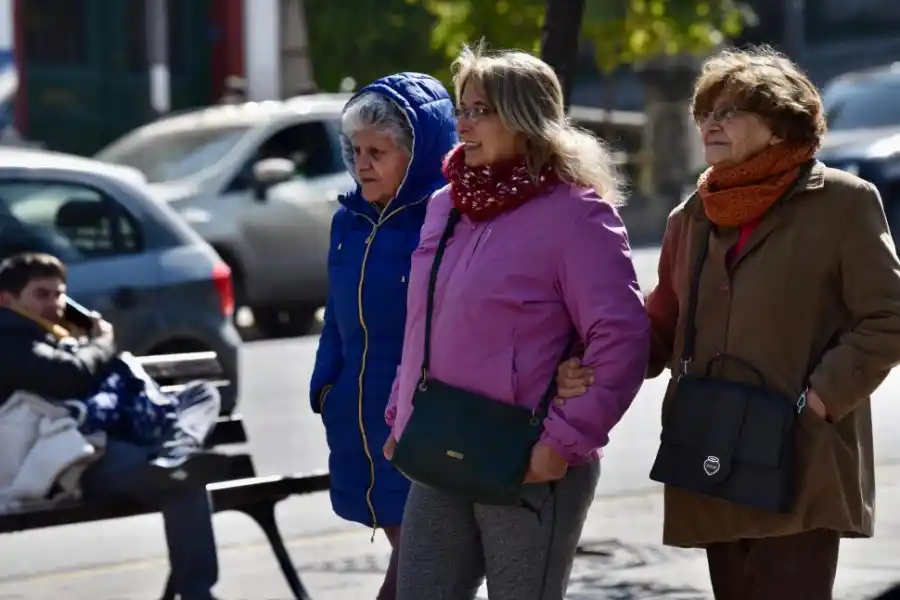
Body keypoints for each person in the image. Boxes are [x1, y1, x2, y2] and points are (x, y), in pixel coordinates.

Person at [555, 46, 900, 599]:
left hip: (799, 456)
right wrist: (588, 361)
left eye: (729, 112)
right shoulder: (692, 214)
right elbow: (660, 326)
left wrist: (821, 396)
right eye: (706, 114)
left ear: (779, 123)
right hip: (711, 449)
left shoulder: (841, 201)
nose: (710, 124)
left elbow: (888, 316)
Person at [381, 46, 650, 600]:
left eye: (481, 109)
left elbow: (620, 338)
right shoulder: (445, 205)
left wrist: (563, 440)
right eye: (462, 108)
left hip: (525, 457)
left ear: (526, 121)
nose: (463, 123)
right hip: (436, 443)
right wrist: (400, 412)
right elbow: (423, 322)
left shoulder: (578, 214)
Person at [308, 72, 457, 600]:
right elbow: (337, 314)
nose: (362, 162)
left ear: (418, 153)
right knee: (419, 565)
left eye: (379, 150)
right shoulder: (348, 221)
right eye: (355, 149)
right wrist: (326, 387)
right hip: (358, 415)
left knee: (422, 566)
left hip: (422, 423)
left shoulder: (450, 219)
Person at [0, 252, 224, 600]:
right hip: (78, 461)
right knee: (184, 481)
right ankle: (198, 593)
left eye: (59, 294)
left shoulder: (57, 335)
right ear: (7, 299)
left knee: (200, 395)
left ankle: (177, 452)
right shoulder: (9, 336)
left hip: (116, 441)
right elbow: (67, 376)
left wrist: (85, 338)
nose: (55, 304)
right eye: (41, 295)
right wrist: (102, 340)